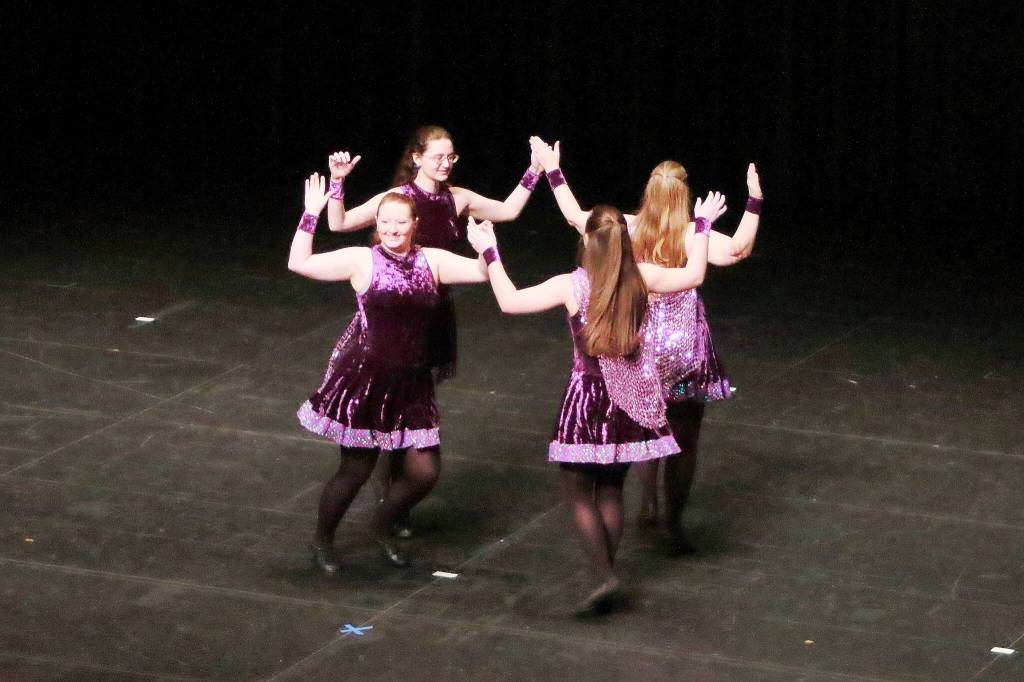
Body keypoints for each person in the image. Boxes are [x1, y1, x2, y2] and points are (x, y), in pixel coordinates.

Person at [466, 198, 725, 614]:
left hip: (588, 398)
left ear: (587, 240)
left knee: (576, 489)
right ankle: (607, 570)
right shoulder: (642, 276)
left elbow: (510, 301)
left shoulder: (573, 284)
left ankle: (604, 574)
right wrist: (702, 224)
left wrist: (490, 252)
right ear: (625, 240)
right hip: (630, 401)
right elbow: (694, 273)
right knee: (610, 487)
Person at [529, 137, 763, 555]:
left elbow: (576, 217)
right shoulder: (695, 233)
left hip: (641, 349)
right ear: (685, 196)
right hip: (684, 351)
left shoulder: (628, 227)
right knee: (685, 436)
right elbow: (739, 249)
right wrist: (754, 202)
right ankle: (672, 521)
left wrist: (552, 170)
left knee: (645, 423)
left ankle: (650, 500)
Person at [325, 126, 544, 535]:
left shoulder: (457, 199)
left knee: (412, 405)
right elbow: (339, 224)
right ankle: (389, 497)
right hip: (393, 314)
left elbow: (508, 210)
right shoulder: (397, 202)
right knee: (389, 408)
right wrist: (337, 183)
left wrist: (535, 171)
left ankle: (395, 505)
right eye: (438, 157)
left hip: (432, 314)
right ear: (417, 158)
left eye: (451, 157)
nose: (445, 164)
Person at [288, 172, 491, 575]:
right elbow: (299, 262)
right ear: (377, 227)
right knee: (356, 470)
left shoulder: (432, 260)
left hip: (413, 385)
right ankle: (322, 539)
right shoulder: (362, 260)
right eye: (384, 224)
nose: (392, 230)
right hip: (368, 382)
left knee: (424, 472)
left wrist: (486, 248)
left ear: (415, 225)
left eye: (400, 223)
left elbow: (484, 274)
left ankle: (381, 524)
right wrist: (310, 215)